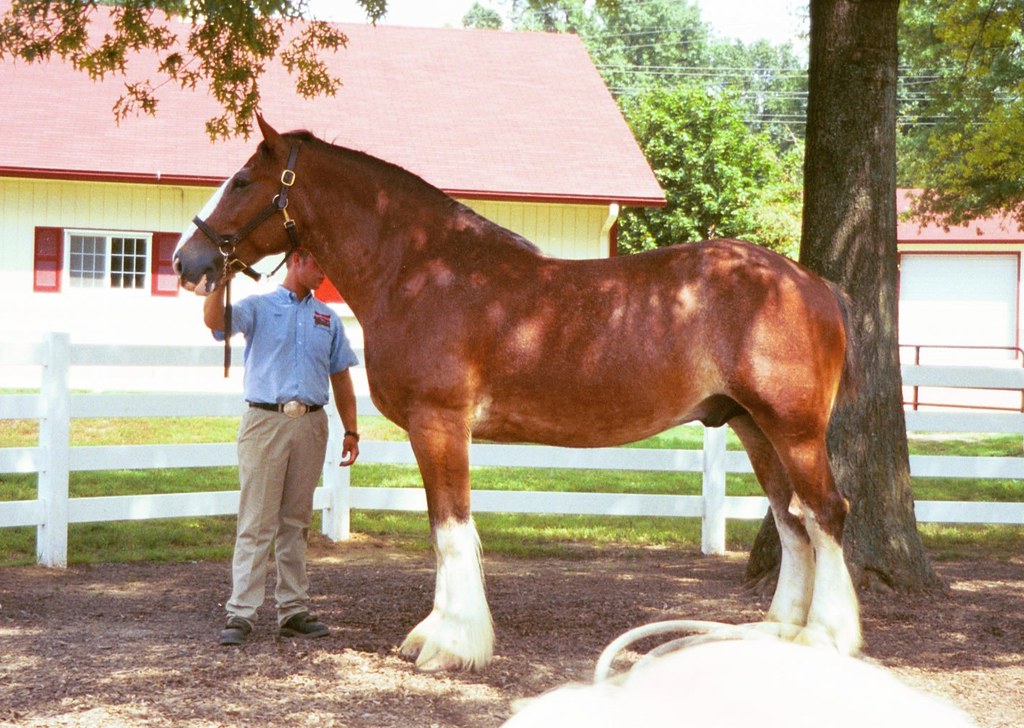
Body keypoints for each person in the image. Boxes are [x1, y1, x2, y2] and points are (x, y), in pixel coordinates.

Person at [203, 247, 360, 646]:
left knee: (296, 521)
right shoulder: (258, 307)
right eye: (319, 263)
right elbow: (215, 322)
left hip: (310, 424)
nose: (325, 273)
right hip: (265, 422)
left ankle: (293, 609)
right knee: (257, 520)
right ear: (297, 260)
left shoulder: (328, 318)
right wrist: (217, 283)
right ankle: (241, 612)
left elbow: (341, 376)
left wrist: (351, 431)